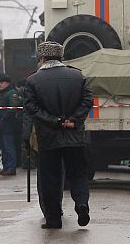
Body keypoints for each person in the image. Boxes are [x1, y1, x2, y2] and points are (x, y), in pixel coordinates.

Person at [23, 41, 93, 229]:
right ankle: (82, 204)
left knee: (50, 179)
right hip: (74, 136)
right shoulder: (77, 76)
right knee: (78, 175)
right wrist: (74, 120)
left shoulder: (33, 81)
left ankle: (54, 219)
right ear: (61, 57)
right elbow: (87, 100)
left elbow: (32, 108)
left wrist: (54, 121)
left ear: (42, 58)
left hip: (48, 138)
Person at [0, 74, 21, 176]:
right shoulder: (1, 93)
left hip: (8, 124)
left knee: (8, 146)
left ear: (7, 83)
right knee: (3, 147)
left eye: (2, 83)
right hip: (1, 124)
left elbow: (13, 107)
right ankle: (6, 167)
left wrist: (3, 117)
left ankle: (11, 167)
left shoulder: (12, 93)